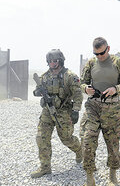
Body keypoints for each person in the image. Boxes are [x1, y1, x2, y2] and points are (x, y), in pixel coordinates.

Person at [80, 37, 120, 186]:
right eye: (96, 54)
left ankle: (113, 175)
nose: (99, 57)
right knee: (88, 140)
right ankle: (90, 177)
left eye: (102, 53)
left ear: (108, 49)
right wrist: (85, 88)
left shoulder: (118, 62)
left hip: (112, 108)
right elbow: (82, 81)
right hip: (93, 107)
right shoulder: (91, 63)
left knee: (113, 143)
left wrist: (116, 88)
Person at [31, 49, 83, 178]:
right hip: (47, 111)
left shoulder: (70, 76)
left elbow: (78, 94)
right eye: (49, 61)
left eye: (54, 61)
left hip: (64, 111)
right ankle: (45, 167)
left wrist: (76, 111)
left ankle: (79, 150)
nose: (52, 63)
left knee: (66, 138)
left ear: (60, 61)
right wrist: (38, 92)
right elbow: (36, 90)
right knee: (41, 137)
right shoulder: (45, 76)